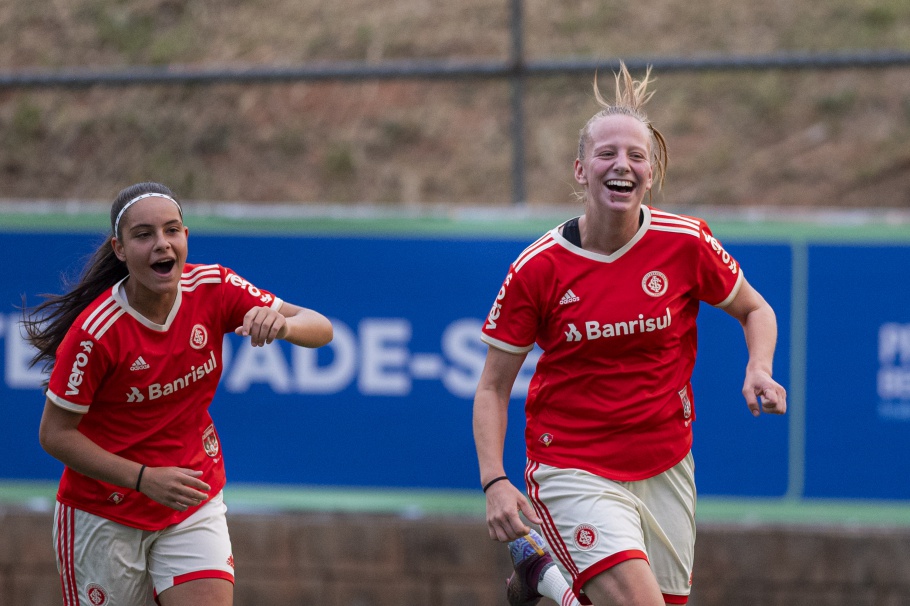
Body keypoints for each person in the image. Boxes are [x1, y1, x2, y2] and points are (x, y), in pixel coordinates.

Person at [473, 63, 787, 606]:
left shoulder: (685, 242)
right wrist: (494, 480)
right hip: (571, 463)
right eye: (606, 154)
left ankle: (540, 574)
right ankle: (544, 572)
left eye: (636, 156)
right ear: (580, 170)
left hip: (666, 461)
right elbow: (492, 388)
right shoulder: (538, 268)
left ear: (651, 171)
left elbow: (755, 308)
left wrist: (759, 366)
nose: (622, 165)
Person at [23, 182, 333, 606]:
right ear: (119, 248)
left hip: (190, 497)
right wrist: (142, 479)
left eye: (171, 230)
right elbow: (55, 435)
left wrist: (285, 325)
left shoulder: (214, 286)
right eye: (144, 234)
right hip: (104, 511)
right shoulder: (96, 334)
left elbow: (321, 327)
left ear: (185, 237)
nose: (161, 244)